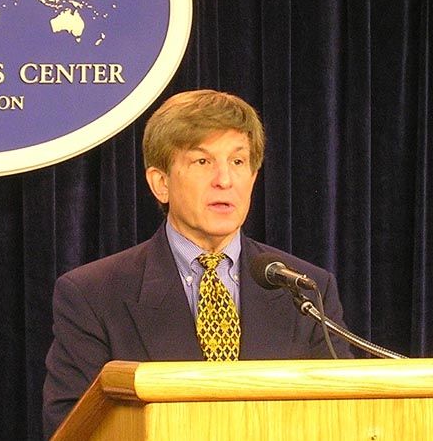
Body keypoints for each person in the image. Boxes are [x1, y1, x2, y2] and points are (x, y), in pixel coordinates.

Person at [42, 89, 353, 438]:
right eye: (202, 162)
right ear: (161, 183)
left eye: (238, 162)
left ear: (253, 176)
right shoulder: (93, 295)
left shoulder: (306, 288)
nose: (225, 179)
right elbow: (73, 430)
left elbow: (340, 419)